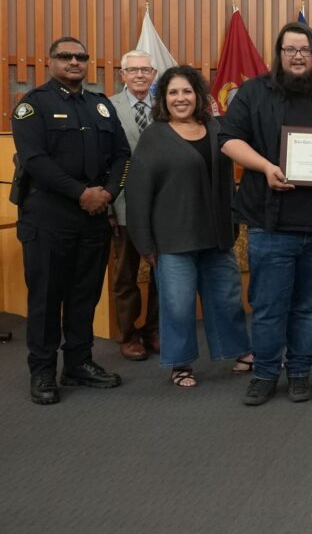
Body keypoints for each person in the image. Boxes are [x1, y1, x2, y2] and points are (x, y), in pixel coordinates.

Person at [220, 22, 312, 406]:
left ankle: (300, 371)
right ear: (279, 53)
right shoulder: (254, 91)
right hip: (272, 224)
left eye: (304, 49)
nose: (297, 56)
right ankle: (266, 373)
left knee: (306, 308)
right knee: (269, 307)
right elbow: (228, 141)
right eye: (290, 50)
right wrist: (267, 167)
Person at [12, 36, 130, 405]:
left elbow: (122, 156)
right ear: (51, 62)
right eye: (66, 57)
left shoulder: (100, 107)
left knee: (85, 295)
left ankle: (79, 363)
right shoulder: (33, 106)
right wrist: (82, 194)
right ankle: (43, 370)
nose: (75, 62)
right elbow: (34, 160)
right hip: (49, 216)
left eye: (81, 56)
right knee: (47, 298)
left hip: (93, 217)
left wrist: (107, 194)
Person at [126, 65, 253, 387]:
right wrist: (145, 244)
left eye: (186, 91)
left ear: (198, 95)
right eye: (173, 92)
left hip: (217, 236)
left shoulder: (216, 128)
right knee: (178, 306)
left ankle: (239, 351)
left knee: (227, 299)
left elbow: (228, 182)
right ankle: (180, 364)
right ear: (163, 99)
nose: (180, 98)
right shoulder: (154, 136)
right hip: (172, 240)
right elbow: (138, 194)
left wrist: (233, 220)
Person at [109, 50, 161, 361]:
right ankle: (128, 334)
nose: (140, 75)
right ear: (122, 75)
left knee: (162, 272)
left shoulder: (166, 106)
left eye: (145, 70)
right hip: (123, 203)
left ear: (154, 74)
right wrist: (110, 207)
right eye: (133, 70)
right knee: (125, 273)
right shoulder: (105, 107)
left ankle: (154, 329)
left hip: (162, 205)